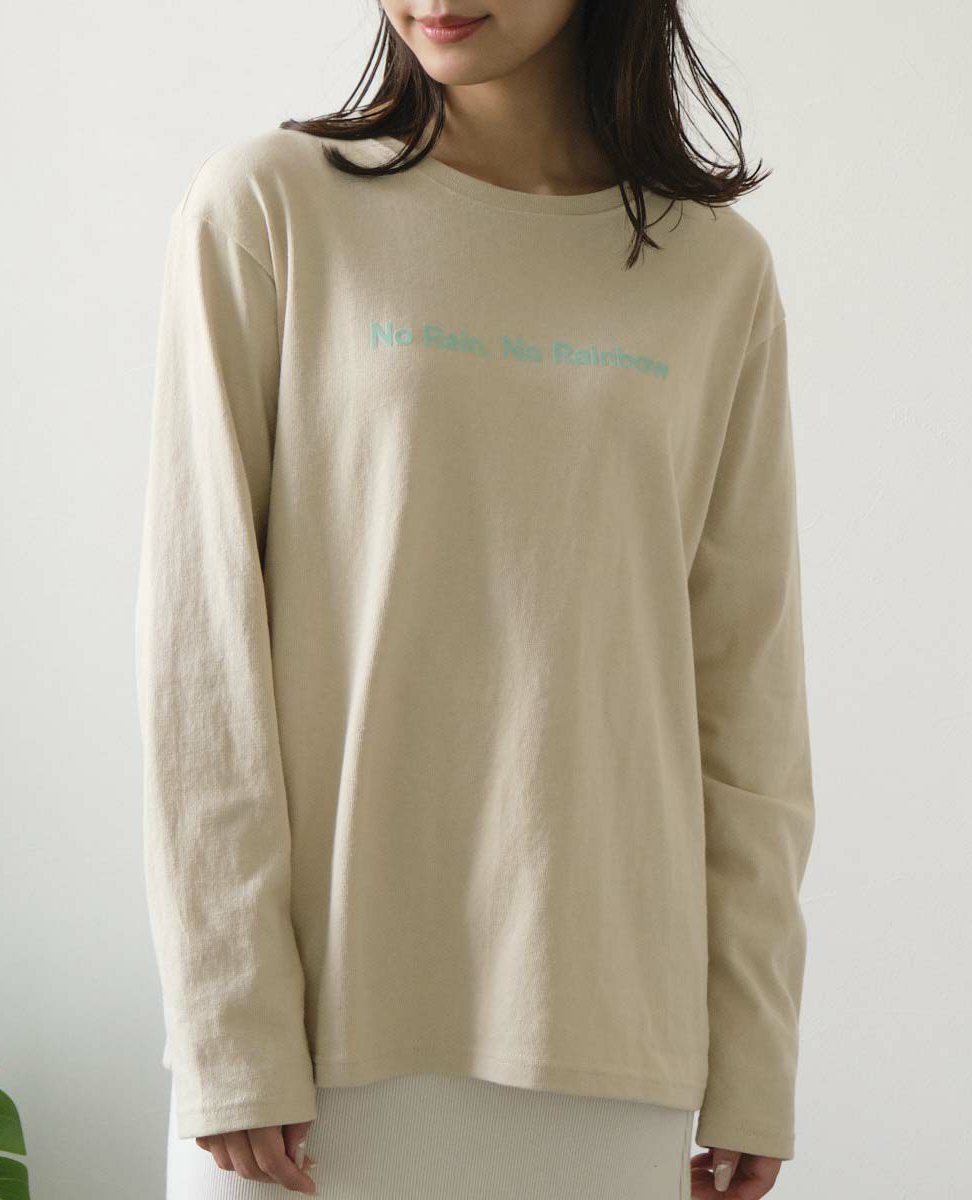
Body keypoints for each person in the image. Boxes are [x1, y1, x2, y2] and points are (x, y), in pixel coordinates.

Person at [134, 2, 817, 1197]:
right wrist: (229, 1026)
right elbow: (201, 653)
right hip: (313, 1052)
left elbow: (745, 697)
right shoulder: (271, 207)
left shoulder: (716, 271)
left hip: (607, 1044)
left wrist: (754, 1056)